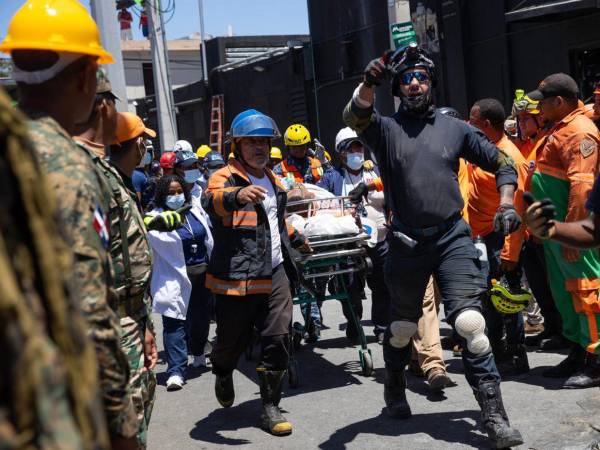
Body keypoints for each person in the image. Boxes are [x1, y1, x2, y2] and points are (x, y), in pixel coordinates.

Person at [343, 42, 523, 448]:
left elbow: (503, 163)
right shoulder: (385, 130)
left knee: (471, 325)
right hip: (405, 243)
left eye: (421, 77)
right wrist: (369, 82)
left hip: (451, 237)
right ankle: (394, 384)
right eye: (407, 79)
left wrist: (507, 202)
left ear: (431, 83)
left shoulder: (455, 129)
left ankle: (494, 415)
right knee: (402, 327)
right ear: (397, 88)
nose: (414, 84)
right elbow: (354, 116)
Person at [0, 1, 139, 447]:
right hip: (42, 402)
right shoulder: (65, 165)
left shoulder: (12, 145)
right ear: (85, 78)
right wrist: (122, 426)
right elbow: (88, 311)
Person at [0, 86, 110, 449]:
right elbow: (87, 299)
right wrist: (118, 414)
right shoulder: (60, 160)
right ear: (85, 78)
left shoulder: (22, 140)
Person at [202, 109, 310, 436]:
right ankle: (223, 371)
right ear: (237, 145)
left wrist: (296, 238)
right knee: (230, 342)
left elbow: (274, 222)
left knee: (278, 337)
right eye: (251, 142)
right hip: (237, 277)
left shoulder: (273, 179)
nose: (259, 147)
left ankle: (270, 406)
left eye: (264, 141)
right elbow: (211, 201)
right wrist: (236, 196)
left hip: (274, 272)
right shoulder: (225, 177)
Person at [84, 110, 157, 448]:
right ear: (137, 143)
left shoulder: (123, 182)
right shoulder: (103, 184)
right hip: (118, 318)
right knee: (129, 413)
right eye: (143, 140)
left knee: (143, 399)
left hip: (135, 312)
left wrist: (146, 325)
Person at [527, 73, 600, 389]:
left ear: (558, 101)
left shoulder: (580, 131)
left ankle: (597, 359)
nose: (539, 108)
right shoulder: (560, 127)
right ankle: (578, 351)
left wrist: (573, 233)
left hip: (573, 234)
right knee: (564, 292)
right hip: (556, 235)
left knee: (586, 290)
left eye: (543, 102)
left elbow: (582, 187)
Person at [467, 98, 530, 376]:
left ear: (486, 124)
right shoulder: (483, 150)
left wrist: (509, 254)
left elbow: (518, 211)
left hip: (501, 240)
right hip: (481, 237)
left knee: (507, 300)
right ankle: (497, 349)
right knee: (489, 299)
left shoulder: (510, 157)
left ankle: (516, 354)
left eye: (473, 121)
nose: (468, 125)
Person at [148, 174, 215, 391]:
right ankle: (176, 371)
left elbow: (208, 237)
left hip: (201, 274)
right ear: (162, 195)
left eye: (179, 191)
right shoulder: (155, 218)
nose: (176, 196)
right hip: (173, 277)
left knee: (200, 319)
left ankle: (198, 352)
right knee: (174, 323)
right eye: (171, 193)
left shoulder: (194, 210)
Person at [511, 90, 567, 350]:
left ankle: (566, 333)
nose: (521, 124)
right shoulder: (524, 145)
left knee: (556, 285)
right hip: (528, 230)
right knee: (538, 283)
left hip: (547, 228)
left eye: (526, 119)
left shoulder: (548, 142)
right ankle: (552, 327)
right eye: (519, 119)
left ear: (540, 118)